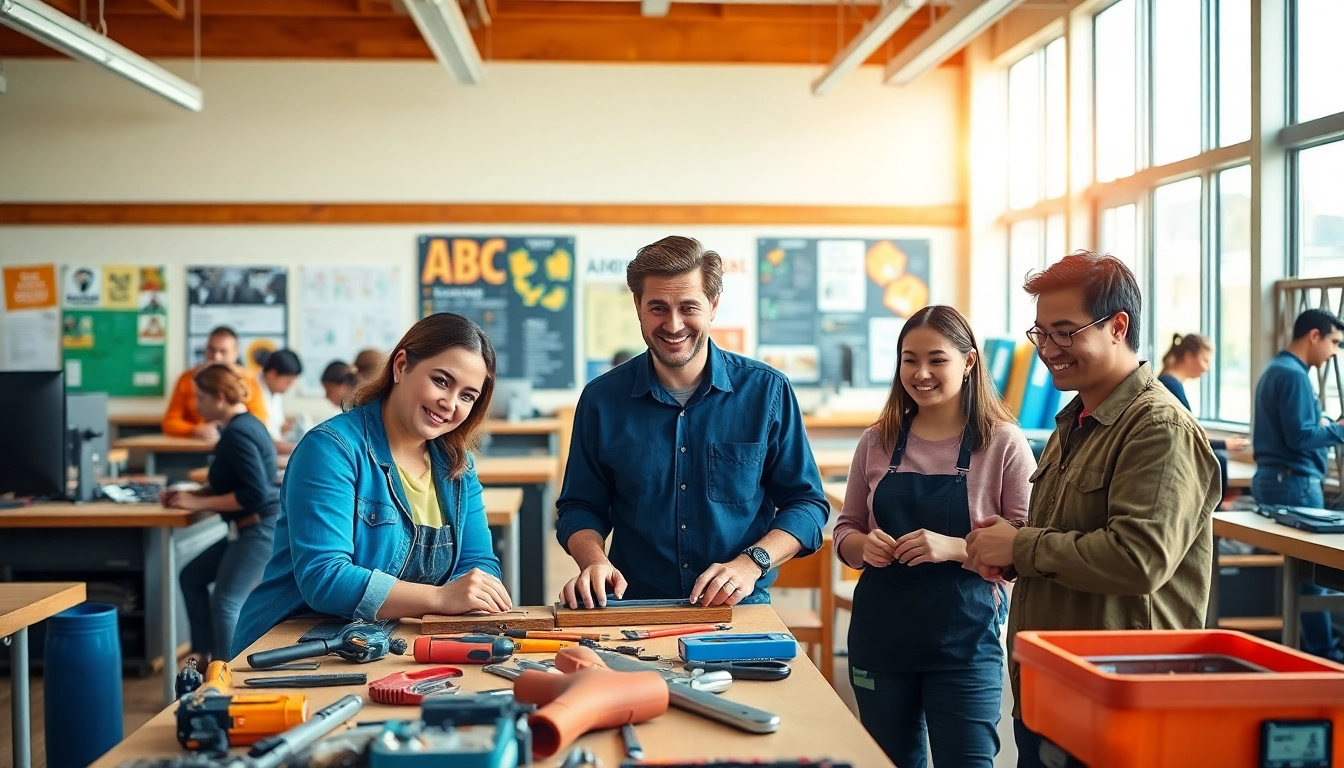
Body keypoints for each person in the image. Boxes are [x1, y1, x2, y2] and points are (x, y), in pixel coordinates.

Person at [964, 252, 1219, 768]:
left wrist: (1021, 546)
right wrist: (1010, 553)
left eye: (1064, 333)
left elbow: (1139, 559)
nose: (1048, 350)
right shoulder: (1077, 421)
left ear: (1117, 327)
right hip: (1053, 686)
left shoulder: (1158, 427)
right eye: (1041, 335)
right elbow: (1068, 539)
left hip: (1118, 693)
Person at [556, 235, 828, 610]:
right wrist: (594, 561)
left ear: (713, 305)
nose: (673, 324)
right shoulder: (601, 400)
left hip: (738, 607)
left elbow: (807, 504)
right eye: (658, 307)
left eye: (688, 307)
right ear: (637, 306)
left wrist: (751, 564)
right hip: (634, 607)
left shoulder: (768, 392)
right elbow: (580, 506)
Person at [231, 313, 510, 656]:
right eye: (441, 381)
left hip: (391, 643)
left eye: (467, 396)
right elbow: (325, 578)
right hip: (293, 645)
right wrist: (439, 598)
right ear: (401, 365)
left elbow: (478, 566)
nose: (450, 404)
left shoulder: (457, 465)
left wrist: (469, 593)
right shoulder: (331, 448)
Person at [835, 305, 1033, 768]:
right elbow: (845, 529)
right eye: (910, 360)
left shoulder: (1003, 443)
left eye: (936, 359)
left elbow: (1028, 545)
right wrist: (864, 546)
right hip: (880, 639)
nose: (920, 373)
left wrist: (956, 548)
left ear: (968, 362)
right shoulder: (877, 440)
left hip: (965, 645)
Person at [164, 364, 279, 663]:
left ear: (219, 396)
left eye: (201, 397)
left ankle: (225, 676)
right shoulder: (246, 424)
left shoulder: (237, 434)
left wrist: (198, 504)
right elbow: (236, 480)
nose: (196, 405)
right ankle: (204, 657)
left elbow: (253, 494)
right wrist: (195, 494)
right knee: (192, 577)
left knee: (226, 602)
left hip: (258, 528)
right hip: (248, 528)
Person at [1251, 308, 1344, 662]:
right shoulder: (1293, 376)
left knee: (1300, 577)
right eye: (1333, 342)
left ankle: (1312, 650)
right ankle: (1324, 655)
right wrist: (1339, 430)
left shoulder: (1276, 369)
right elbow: (1301, 437)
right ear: (1314, 336)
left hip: (1276, 479)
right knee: (1311, 576)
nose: (1334, 352)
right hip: (1295, 483)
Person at [1157, 333, 1251, 508]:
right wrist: (1225, 444)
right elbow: (1188, 435)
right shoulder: (1170, 385)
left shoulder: (1171, 384)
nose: (1206, 368)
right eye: (1204, 361)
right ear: (1188, 356)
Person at [163, 326, 268, 440]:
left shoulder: (248, 379)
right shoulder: (187, 379)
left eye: (223, 351)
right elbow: (170, 422)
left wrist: (225, 429)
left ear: (235, 353)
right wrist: (195, 430)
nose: (216, 357)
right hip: (195, 445)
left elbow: (260, 420)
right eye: (211, 350)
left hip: (234, 438)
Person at [256, 349, 303, 451]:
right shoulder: (252, 391)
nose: (289, 387)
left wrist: (286, 427)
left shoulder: (275, 392)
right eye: (287, 382)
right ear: (272, 374)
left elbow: (275, 425)